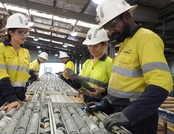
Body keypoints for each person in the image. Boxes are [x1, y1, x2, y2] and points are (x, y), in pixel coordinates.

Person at [86, 0, 173, 133]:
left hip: (138, 119)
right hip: (121, 114)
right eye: (108, 28)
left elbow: (161, 84)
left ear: (126, 16)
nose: (111, 32)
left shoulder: (146, 39)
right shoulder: (125, 43)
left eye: (113, 25)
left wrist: (129, 114)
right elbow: (122, 84)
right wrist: (106, 102)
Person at [0, 13, 31, 119]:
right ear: (11, 32)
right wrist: (12, 99)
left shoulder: (25, 52)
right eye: (20, 32)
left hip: (14, 98)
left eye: (26, 32)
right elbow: (1, 76)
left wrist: (22, 96)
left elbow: (23, 77)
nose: (24, 35)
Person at [64, 26, 113, 103]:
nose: (91, 49)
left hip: (102, 106)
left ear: (104, 45)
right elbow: (79, 85)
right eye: (89, 46)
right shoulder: (87, 63)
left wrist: (104, 90)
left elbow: (116, 89)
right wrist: (72, 78)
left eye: (95, 46)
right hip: (87, 103)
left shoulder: (109, 63)